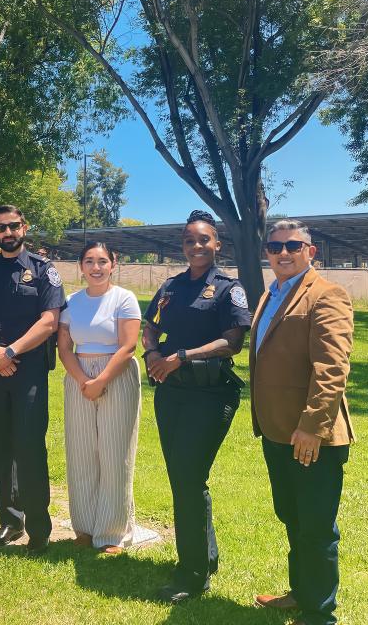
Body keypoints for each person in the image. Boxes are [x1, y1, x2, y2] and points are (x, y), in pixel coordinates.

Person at [142, 210, 252, 603]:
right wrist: (154, 352)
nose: (196, 246)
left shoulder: (227, 288)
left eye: (203, 239)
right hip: (171, 393)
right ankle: (205, 556)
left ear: (217, 244)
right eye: (189, 240)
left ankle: (191, 574)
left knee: (189, 478)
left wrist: (181, 356)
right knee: (181, 478)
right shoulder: (171, 287)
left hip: (210, 395)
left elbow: (233, 342)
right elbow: (150, 323)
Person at [250, 219, 354, 625]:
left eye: (293, 245)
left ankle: (320, 613)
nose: (283, 252)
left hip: (311, 435)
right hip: (276, 430)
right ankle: (302, 593)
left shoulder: (328, 295)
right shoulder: (271, 294)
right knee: (291, 516)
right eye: (274, 246)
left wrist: (312, 426)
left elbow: (332, 367)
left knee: (316, 526)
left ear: (311, 251)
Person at [0, 204, 66, 554]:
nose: (7, 233)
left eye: (12, 226)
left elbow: (49, 321)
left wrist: (11, 352)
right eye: (0, 228)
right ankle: (9, 521)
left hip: (29, 372)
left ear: (24, 227)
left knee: (29, 447)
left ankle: (39, 528)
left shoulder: (42, 270)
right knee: (0, 447)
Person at [57, 241, 142, 554]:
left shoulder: (124, 299)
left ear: (113, 263)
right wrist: (83, 380)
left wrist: (102, 379)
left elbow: (129, 345)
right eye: (89, 261)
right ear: (81, 266)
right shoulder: (71, 302)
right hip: (79, 375)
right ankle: (84, 526)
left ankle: (110, 531)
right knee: (81, 453)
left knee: (114, 453)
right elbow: (64, 347)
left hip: (116, 375)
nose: (96, 268)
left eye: (102, 261)